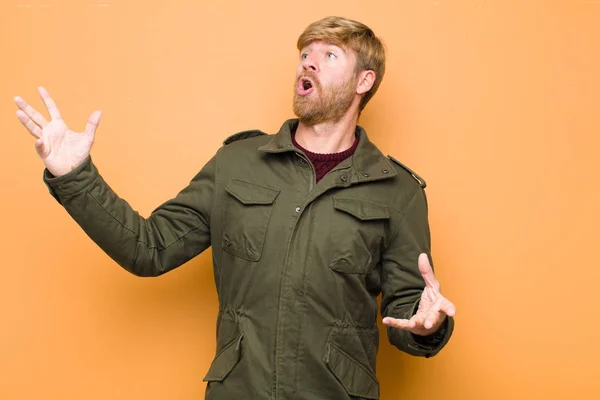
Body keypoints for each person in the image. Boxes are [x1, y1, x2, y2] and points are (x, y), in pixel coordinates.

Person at [14, 16, 456, 400]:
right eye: (305, 54)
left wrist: (427, 325)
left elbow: (409, 308)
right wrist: (75, 175)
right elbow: (146, 249)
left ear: (364, 81)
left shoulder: (397, 190)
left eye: (329, 55)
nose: (308, 61)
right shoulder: (236, 163)